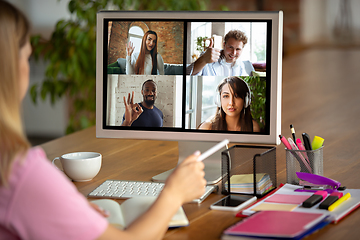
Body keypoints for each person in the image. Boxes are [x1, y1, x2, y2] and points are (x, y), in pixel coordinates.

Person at [0, 2, 206, 239]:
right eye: (27, 57)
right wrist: (174, 194)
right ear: (11, 68)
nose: (150, 93)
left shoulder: (160, 85)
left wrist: (64, 209)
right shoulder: (20, 174)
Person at [186, 30, 255, 76]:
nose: (233, 53)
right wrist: (203, 59)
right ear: (224, 45)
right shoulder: (207, 56)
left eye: (238, 49)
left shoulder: (241, 64)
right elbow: (188, 74)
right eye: (230, 47)